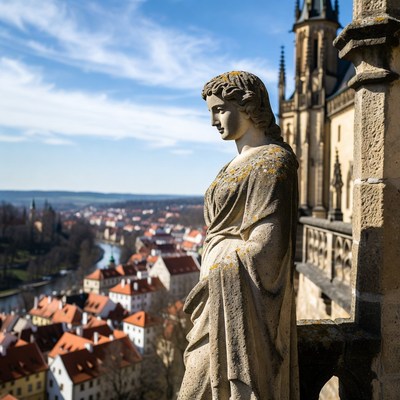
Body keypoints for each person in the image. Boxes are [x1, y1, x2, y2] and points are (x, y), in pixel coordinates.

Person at [178, 71, 299, 400]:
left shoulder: (274, 163)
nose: (213, 121)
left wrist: (220, 263)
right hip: (215, 297)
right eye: (210, 112)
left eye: (219, 110)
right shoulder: (229, 166)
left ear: (247, 106)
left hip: (234, 298)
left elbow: (268, 248)